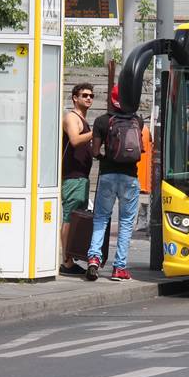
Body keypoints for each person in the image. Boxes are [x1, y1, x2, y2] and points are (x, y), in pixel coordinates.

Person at [86, 85, 144, 282]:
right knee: (127, 223)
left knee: (101, 218)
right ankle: (119, 269)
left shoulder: (101, 121)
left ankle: (94, 258)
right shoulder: (138, 120)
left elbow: (94, 152)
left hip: (108, 175)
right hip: (130, 178)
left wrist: (104, 157)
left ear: (111, 100)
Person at [60, 83, 94, 275]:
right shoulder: (72, 118)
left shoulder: (82, 119)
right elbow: (74, 139)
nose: (88, 98)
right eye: (84, 95)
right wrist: (95, 133)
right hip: (73, 178)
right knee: (69, 219)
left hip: (81, 177)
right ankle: (67, 262)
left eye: (91, 95)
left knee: (74, 219)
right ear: (75, 97)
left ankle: (69, 258)